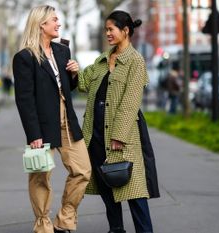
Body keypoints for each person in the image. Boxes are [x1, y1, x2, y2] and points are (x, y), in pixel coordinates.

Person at [76, 10, 159, 233]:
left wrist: (119, 135)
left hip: (121, 138)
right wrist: (75, 70)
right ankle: (116, 229)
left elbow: (131, 101)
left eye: (111, 29)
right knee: (107, 189)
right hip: (95, 136)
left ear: (125, 31)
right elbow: (83, 84)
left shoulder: (135, 61)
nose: (107, 34)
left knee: (133, 191)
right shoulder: (102, 59)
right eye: (106, 30)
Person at [12, 5, 91, 233]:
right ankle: (43, 225)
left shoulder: (62, 51)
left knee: (82, 170)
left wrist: (74, 74)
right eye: (54, 20)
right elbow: (24, 100)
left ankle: (65, 219)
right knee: (41, 176)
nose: (58, 24)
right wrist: (33, 134)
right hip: (42, 126)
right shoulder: (25, 57)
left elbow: (67, 88)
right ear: (41, 24)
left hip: (68, 122)